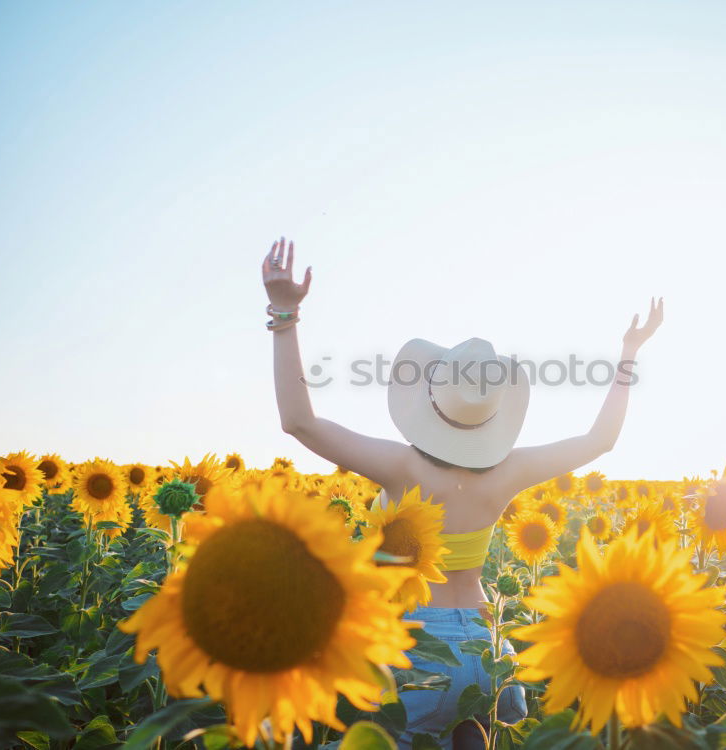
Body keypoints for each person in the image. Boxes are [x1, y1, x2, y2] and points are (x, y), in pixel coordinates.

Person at [261, 237, 663, 749]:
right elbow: (600, 440)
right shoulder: (508, 471)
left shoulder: (399, 467)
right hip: (482, 645)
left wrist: (284, 314)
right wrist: (628, 355)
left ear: (429, 403)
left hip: (414, 649)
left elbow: (299, 421)